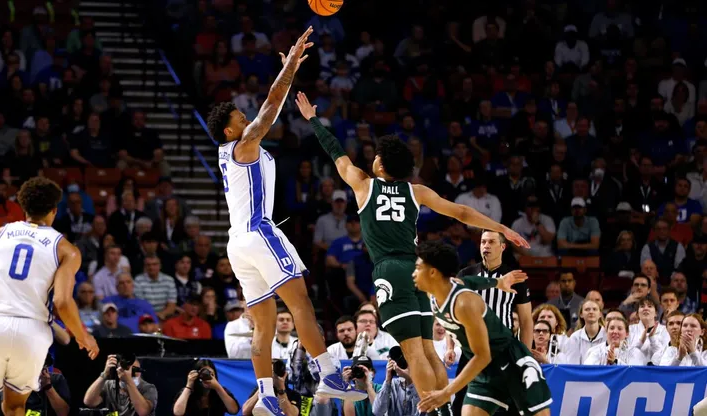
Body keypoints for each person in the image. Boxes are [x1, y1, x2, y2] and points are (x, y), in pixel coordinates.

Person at [295, 91, 530, 415]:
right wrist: (502, 228)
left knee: (414, 351)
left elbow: (336, 153)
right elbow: (461, 212)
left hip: (389, 269)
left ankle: (433, 411)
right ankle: (445, 411)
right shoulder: (415, 191)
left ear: (380, 162)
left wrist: (313, 120)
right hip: (419, 271)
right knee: (428, 351)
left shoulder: (363, 184)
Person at [206, 27, 365, 415]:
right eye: (240, 116)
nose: (247, 117)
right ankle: (328, 373)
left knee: (262, 324)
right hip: (259, 231)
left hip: (237, 242)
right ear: (230, 129)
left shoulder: (231, 153)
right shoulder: (243, 144)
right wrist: (290, 67)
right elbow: (272, 106)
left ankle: (266, 396)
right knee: (300, 306)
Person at [0, 177, 98, 416]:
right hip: (33, 331)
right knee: (16, 406)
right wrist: (83, 336)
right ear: (55, 211)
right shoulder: (66, 249)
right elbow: (62, 302)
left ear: (23, 207)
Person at [412, 241, 551, 416]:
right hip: (485, 372)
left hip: (511, 363)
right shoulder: (438, 290)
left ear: (433, 272)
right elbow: (470, 281)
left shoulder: (464, 303)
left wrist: (446, 392)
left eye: (418, 268)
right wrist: (497, 282)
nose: (413, 274)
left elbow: (483, 355)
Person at [83, 356, 158, 416]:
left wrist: (128, 381)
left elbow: (143, 412)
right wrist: (105, 374)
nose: (130, 373)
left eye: (134, 369)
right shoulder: (109, 385)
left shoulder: (148, 388)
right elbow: (89, 402)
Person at [173, 359, 240, 416]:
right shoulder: (187, 393)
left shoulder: (220, 392)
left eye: (210, 374)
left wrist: (218, 387)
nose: (206, 377)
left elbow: (234, 411)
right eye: (203, 374)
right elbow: (178, 413)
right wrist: (188, 386)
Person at [372, 351, 420, 416]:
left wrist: (409, 380)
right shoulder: (392, 384)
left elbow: (422, 411)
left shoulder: (422, 384)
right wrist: (388, 379)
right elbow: (377, 411)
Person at [566, 300, 605, 364]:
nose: (591, 312)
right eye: (587, 309)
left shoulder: (607, 335)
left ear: (600, 314)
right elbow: (573, 365)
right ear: (581, 314)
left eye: (594, 309)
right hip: (580, 373)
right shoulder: (575, 337)